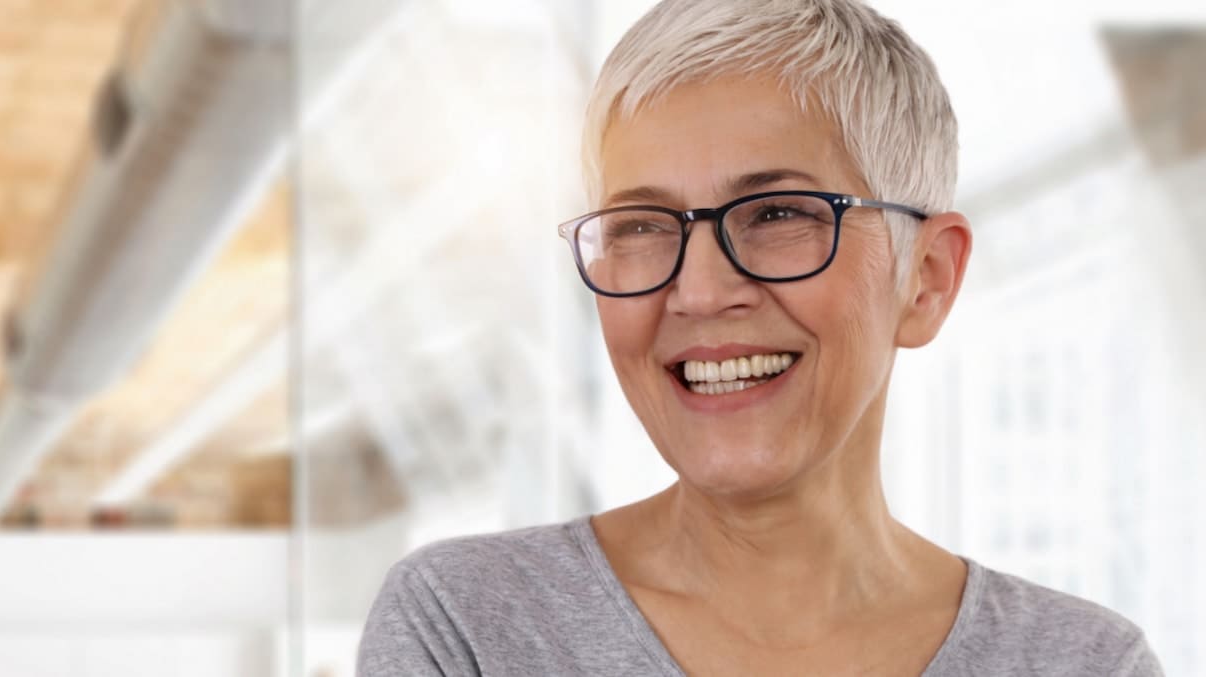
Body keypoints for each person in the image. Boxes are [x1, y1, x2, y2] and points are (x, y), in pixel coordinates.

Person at [356, 0, 1164, 674]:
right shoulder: (465, 629)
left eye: (778, 214)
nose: (700, 291)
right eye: (641, 225)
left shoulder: (1082, 662)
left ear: (926, 278)